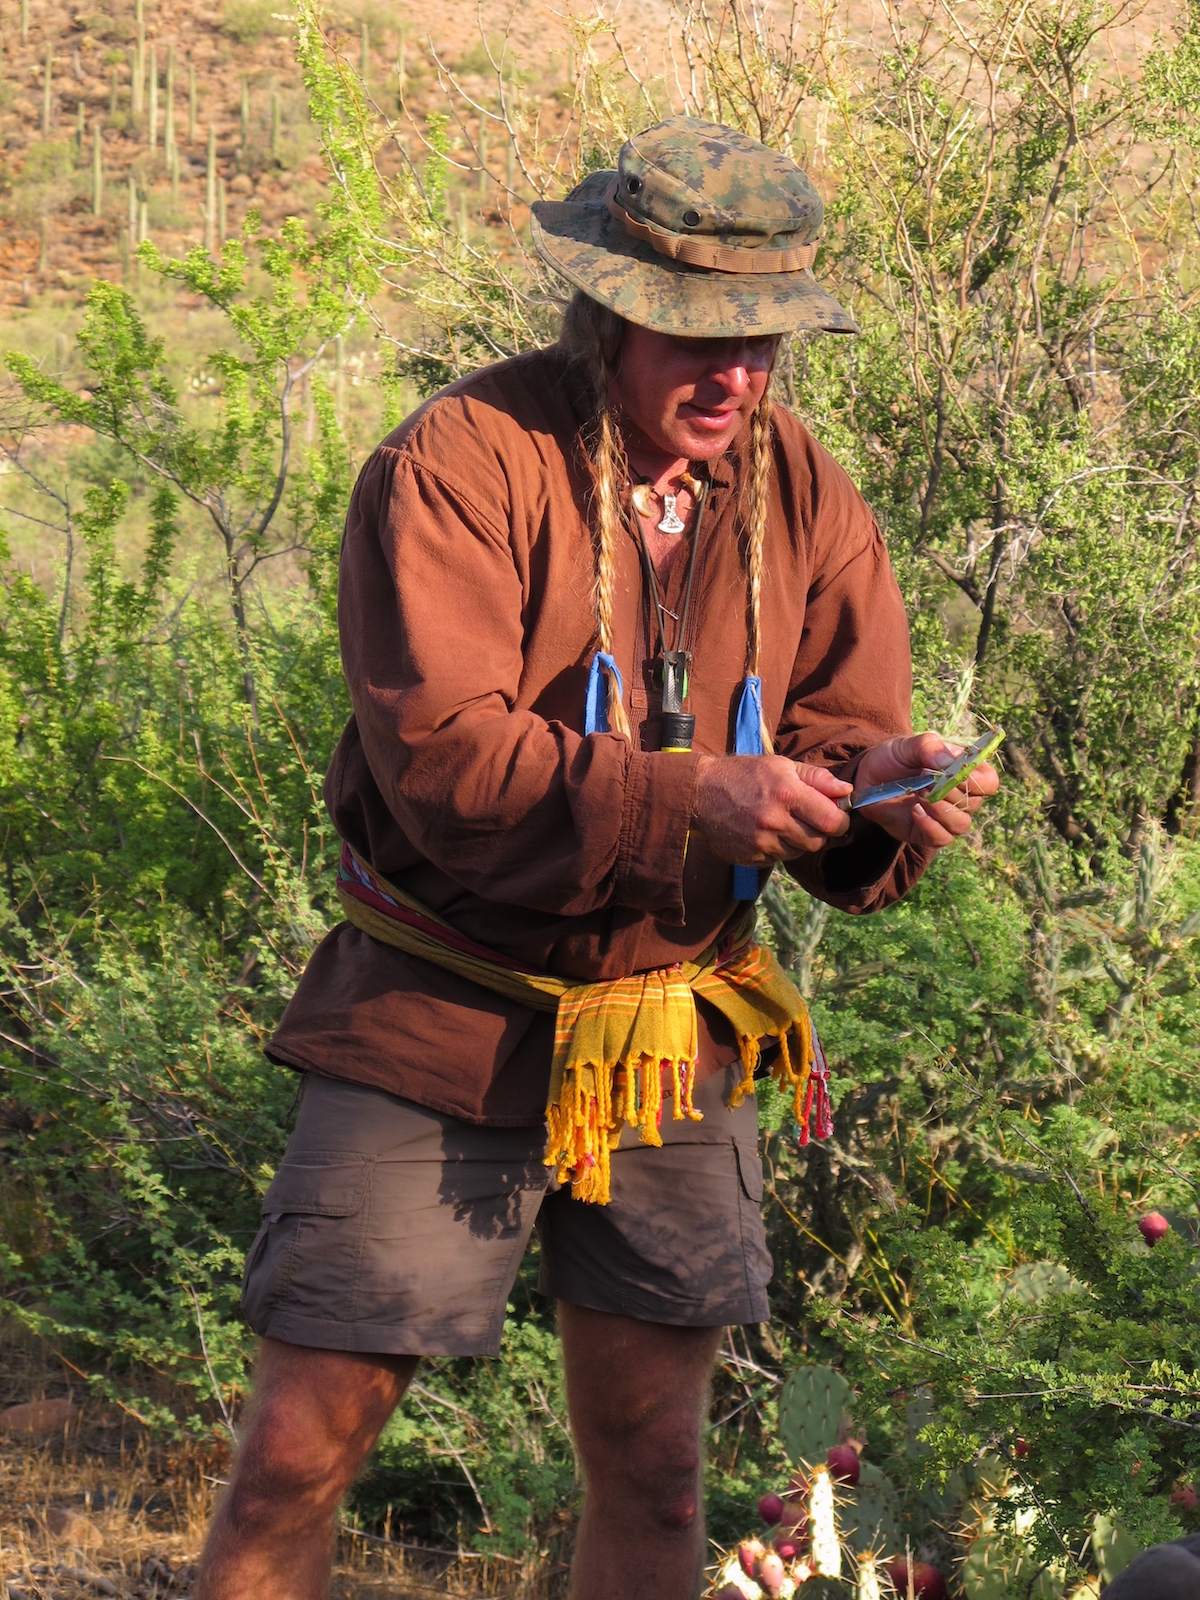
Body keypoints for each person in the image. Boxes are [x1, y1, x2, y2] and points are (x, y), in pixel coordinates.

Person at [195, 117, 999, 1600]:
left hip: (674, 1029)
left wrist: (877, 787)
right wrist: (692, 801)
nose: (736, 377)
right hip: (437, 1015)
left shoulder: (803, 491)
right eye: (698, 336)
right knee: (295, 1460)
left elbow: (831, 736)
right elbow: (443, 762)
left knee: (659, 1469)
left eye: (761, 340)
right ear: (607, 313)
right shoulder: (462, 460)